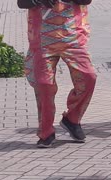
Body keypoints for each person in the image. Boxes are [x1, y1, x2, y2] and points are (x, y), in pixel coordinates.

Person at [17, 0, 96, 148]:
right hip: (42, 38)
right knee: (44, 84)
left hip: (74, 36)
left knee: (89, 77)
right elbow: (21, 3)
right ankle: (46, 132)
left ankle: (72, 120)